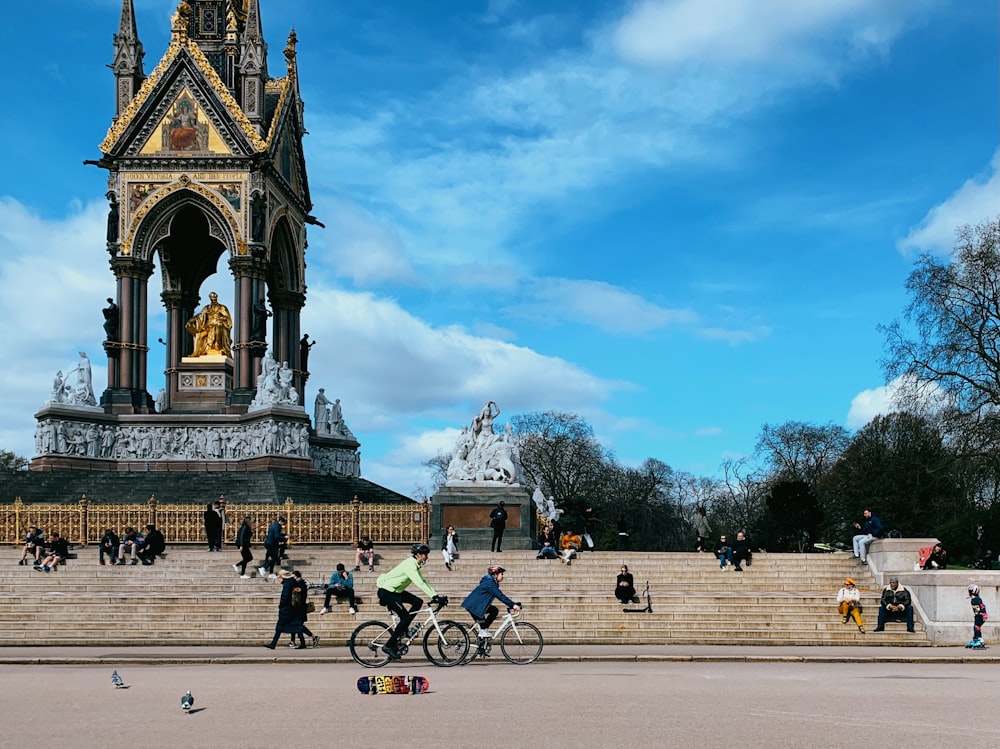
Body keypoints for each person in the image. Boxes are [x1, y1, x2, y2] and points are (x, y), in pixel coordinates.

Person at [375, 543, 442, 660]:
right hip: (387, 592)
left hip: (396, 591)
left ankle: (404, 630)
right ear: (418, 555)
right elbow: (419, 583)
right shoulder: (410, 565)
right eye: (425, 554)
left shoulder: (414, 564)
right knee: (405, 617)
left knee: (418, 602)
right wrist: (433, 596)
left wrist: (436, 595)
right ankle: (388, 645)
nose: (427, 557)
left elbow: (423, 581)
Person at [462, 565, 521, 637]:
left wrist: (513, 604)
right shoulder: (490, 583)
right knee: (485, 624)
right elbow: (500, 596)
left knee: (493, 611)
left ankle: (483, 639)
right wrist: (513, 605)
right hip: (474, 606)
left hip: (477, 606)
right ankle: (483, 631)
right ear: (495, 574)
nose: (503, 576)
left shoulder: (491, 582)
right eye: (501, 574)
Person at [265, 570, 306, 649]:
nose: (278, 580)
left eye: (278, 578)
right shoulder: (292, 582)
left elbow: (285, 597)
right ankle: (303, 642)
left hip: (286, 609)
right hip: (293, 608)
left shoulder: (287, 584)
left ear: (282, 577)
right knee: (297, 625)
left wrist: (281, 606)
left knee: (279, 626)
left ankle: (273, 644)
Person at [185, 291, 233, 358]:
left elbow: (227, 319)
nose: (214, 299)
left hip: (218, 326)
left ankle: (217, 345)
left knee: (218, 325)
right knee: (199, 335)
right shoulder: (206, 308)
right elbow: (199, 316)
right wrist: (190, 321)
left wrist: (219, 318)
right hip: (207, 327)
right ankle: (196, 352)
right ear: (210, 298)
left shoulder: (222, 308)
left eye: (215, 297)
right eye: (212, 298)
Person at [290, 570, 319, 648]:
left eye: (292, 576)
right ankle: (293, 641)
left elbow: (298, 591)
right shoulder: (299, 583)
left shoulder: (301, 583)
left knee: (298, 625)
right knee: (295, 624)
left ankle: (311, 638)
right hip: (297, 608)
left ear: (296, 576)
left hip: (299, 608)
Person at [259, 515, 286, 580]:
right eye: (283, 522)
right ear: (280, 521)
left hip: (269, 543)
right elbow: (276, 536)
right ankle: (263, 568)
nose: (283, 524)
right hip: (271, 544)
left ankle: (271, 573)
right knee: (275, 558)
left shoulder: (274, 525)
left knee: (273, 558)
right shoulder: (277, 527)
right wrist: (284, 537)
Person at [967, 584, 988, 648]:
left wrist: (984, 613)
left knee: (977, 627)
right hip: (977, 616)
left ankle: (980, 640)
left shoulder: (978, 599)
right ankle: (975, 639)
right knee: (975, 627)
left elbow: (982, 606)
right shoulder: (973, 599)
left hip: (981, 615)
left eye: (970, 591)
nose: (969, 593)